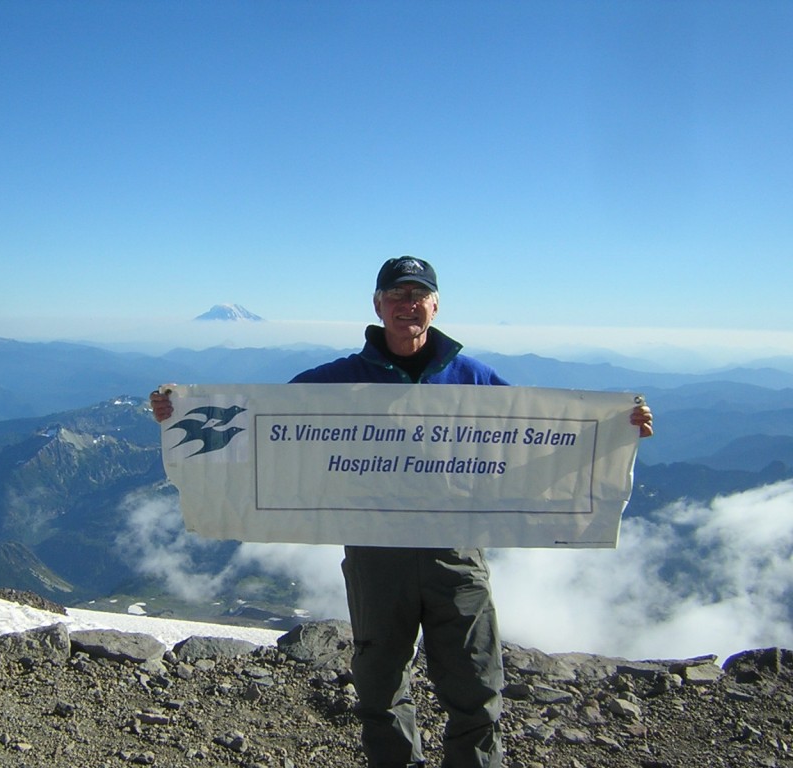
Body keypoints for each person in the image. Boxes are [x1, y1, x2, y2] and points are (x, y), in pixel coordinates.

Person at [150, 255, 654, 768]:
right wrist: (181, 412)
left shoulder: (472, 377)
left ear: (435, 305)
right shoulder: (343, 378)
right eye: (396, 295)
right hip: (376, 553)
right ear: (377, 305)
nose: (407, 305)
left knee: (476, 684)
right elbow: (264, 421)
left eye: (418, 295)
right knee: (380, 687)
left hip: (454, 553)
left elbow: (534, 437)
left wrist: (616, 429)